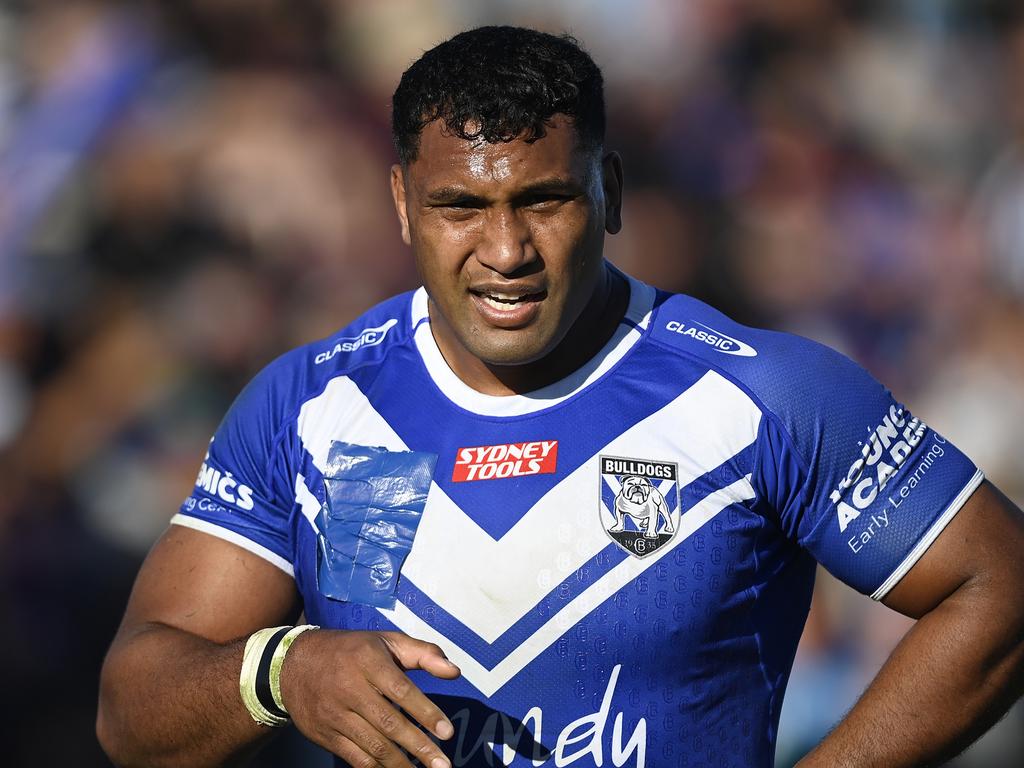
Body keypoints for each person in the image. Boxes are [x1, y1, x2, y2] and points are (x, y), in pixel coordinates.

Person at [97, 26, 1024, 768]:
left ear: (608, 191)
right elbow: (133, 709)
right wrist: (281, 670)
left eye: (544, 201)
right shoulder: (313, 410)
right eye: (461, 207)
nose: (506, 253)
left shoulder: (759, 391)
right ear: (401, 203)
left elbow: (1001, 584)